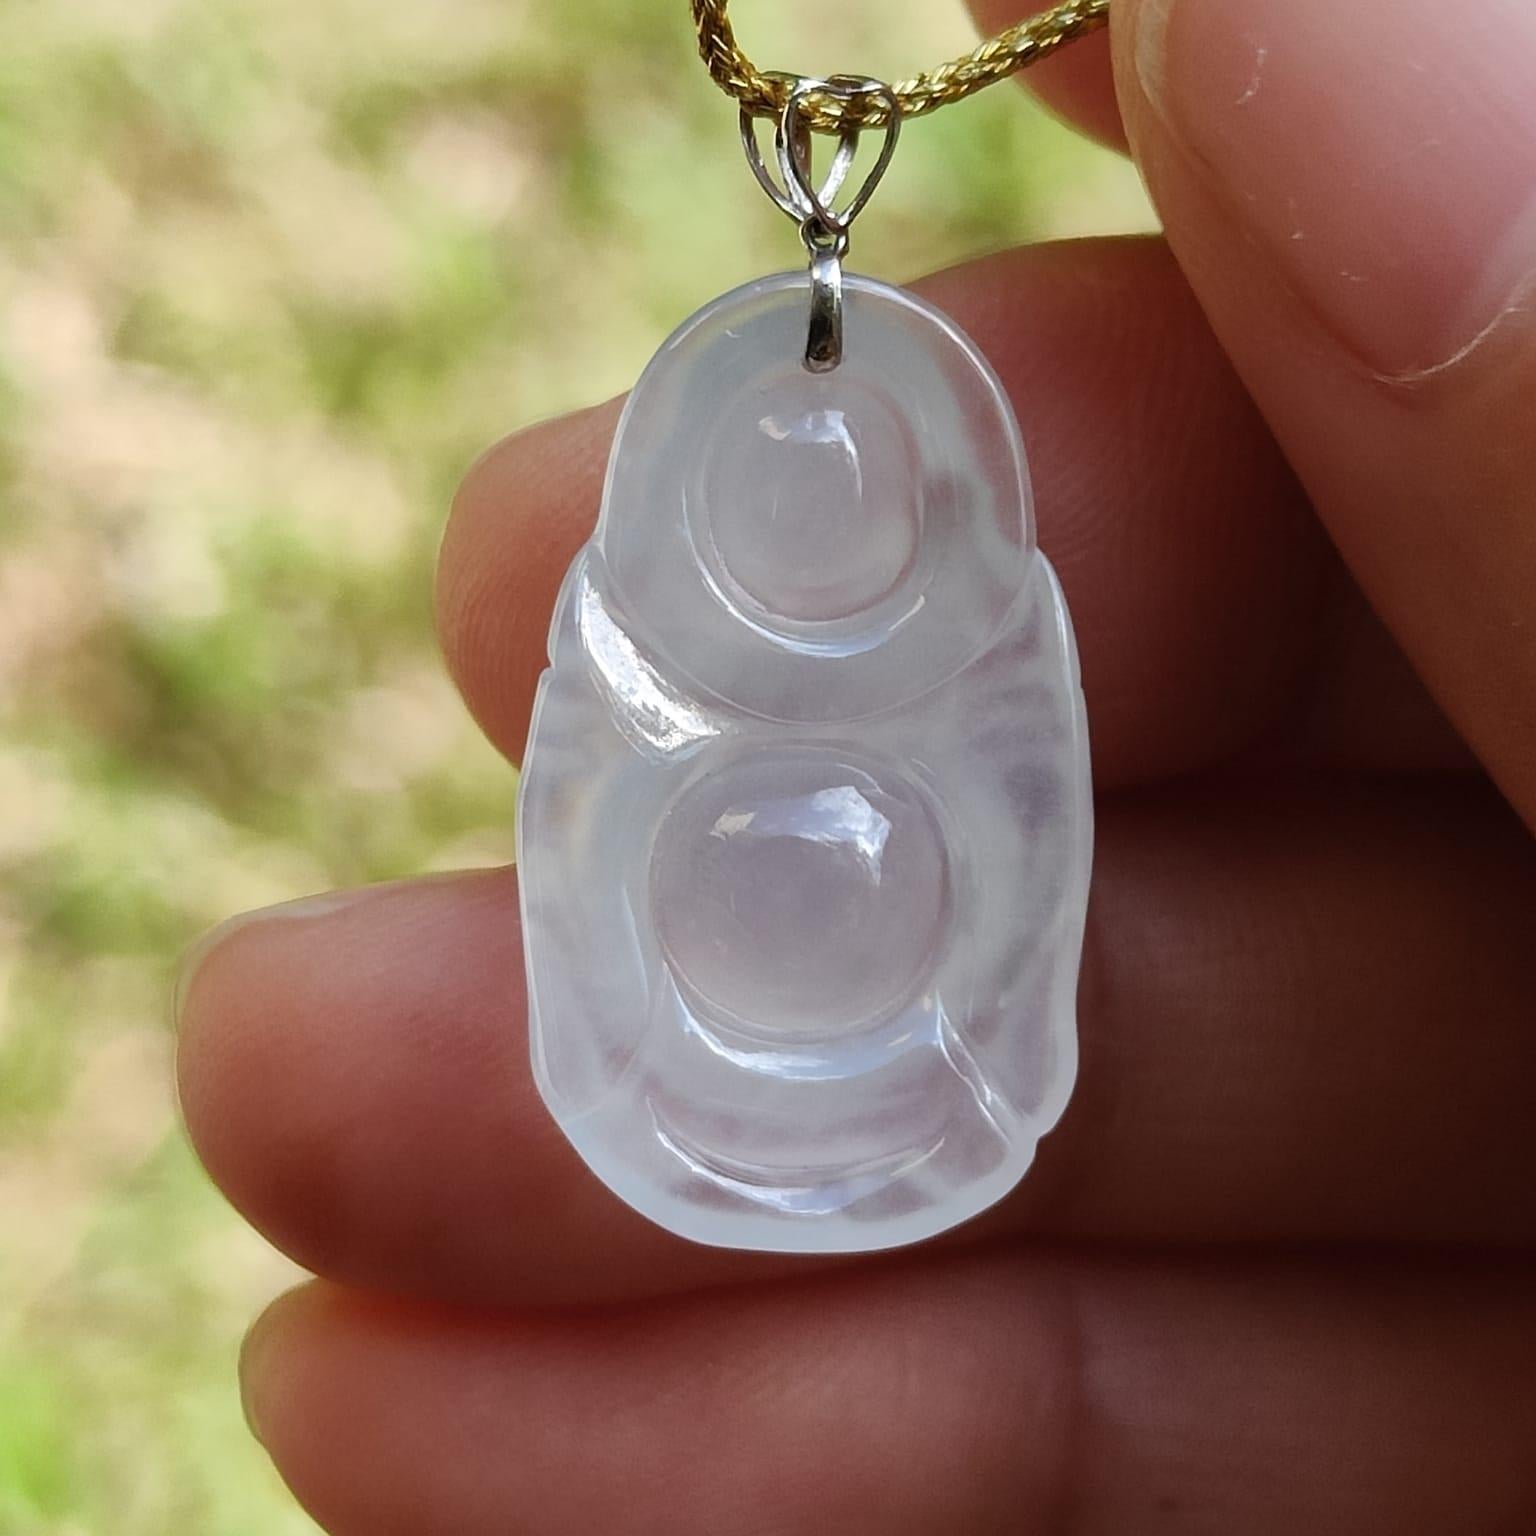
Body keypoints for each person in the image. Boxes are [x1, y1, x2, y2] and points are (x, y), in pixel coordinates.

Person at [174, 0, 1536, 1527]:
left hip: (923, 1080)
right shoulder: (643, 638)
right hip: (712, 1066)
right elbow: (587, 827)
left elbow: (1021, 845)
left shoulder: (980, 638)